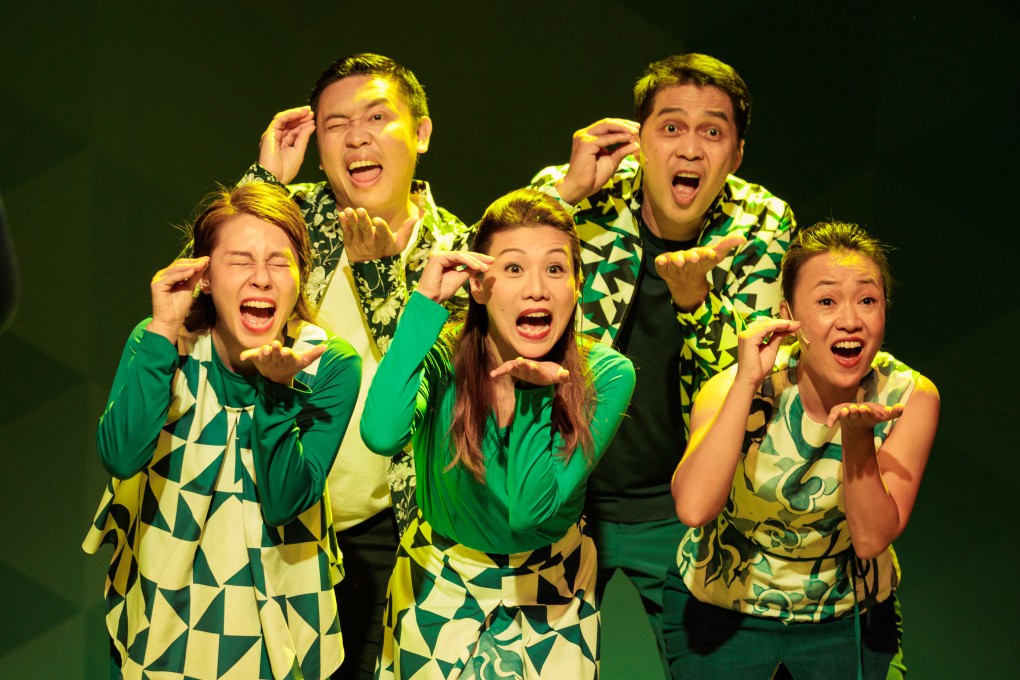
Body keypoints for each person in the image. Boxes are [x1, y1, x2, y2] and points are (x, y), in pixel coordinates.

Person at [529, 53, 797, 670]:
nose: (690, 150)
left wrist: (695, 303)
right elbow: (481, 293)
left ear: (735, 156)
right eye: (671, 127)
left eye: (713, 132)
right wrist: (561, 192)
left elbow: (745, 382)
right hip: (565, 495)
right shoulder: (581, 194)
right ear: (639, 141)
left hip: (682, 510)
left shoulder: (760, 222)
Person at [242, 53, 475, 679]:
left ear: (421, 132)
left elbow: (433, 377)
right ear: (318, 145)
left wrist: (378, 274)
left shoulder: (457, 252)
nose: (357, 137)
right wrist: (264, 180)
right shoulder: (288, 220)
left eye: (377, 116)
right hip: (269, 511)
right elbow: (202, 298)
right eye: (335, 124)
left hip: (387, 532)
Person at [83, 183, 362, 679]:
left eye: (279, 262)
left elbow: (284, 503)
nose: (261, 279)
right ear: (205, 277)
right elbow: (121, 457)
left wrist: (276, 393)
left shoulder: (329, 363)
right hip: (162, 602)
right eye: (240, 261)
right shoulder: (162, 341)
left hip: (278, 609)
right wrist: (163, 331)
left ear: (302, 277)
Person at [360, 188, 636, 678]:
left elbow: (530, 512)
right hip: (440, 580)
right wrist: (423, 305)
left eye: (554, 269)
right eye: (512, 268)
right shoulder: (443, 356)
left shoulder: (607, 374)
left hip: (556, 587)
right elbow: (381, 434)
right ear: (479, 286)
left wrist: (532, 396)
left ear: (577, 286)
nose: (537, 289)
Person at [665, 221, 940, 678]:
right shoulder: (734, 387)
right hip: (724, 609)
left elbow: (872, 539)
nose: (850, 320)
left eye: (867, 300)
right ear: (790, 314)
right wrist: (748, 382)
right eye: (827, 301)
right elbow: (694, 508)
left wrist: (856, 439)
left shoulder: (909, 396)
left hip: (848, 616)